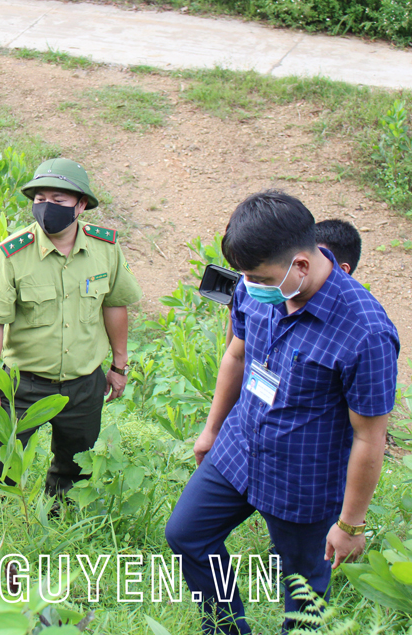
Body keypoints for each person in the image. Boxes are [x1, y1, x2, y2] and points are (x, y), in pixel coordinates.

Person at [166, 191, 398, 634]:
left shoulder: (365, 331)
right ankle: (227, 629)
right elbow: (237, 355)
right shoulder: (260, 289)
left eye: (258, 277)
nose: (249, 285)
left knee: (303, 594)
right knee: (187, 535)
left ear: (302, 266)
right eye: (245, 276)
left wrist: (350, 524)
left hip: (302, 483)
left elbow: (370, 437)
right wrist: (212, 429)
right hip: (238, 450)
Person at [0, 158, 142, 508]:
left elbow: (115, 305)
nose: (47, 207)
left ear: (80, 205)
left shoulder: (105, 249)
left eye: (59, 200)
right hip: (22, 384)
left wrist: (119, 366)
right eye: (40, 197)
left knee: (75, 464)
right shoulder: (11, 255)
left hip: (83, 381)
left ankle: (60, 524)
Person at [222, 217, 362, 346]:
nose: (304, 270)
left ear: (342, 270)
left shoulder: (356, 330)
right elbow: (238, 356)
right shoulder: (276, 290)